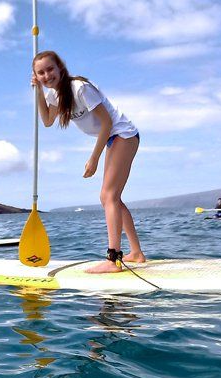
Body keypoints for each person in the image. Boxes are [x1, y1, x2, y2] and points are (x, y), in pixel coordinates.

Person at [32, 50, 145, 274]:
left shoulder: (79, 88)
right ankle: (137, 253)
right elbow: (46, 120)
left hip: (123, 134)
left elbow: (106, 123)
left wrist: (94, 158)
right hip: (114, 138)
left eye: (50, 69)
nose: (47, 75)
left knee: (108, 196)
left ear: (60, 67)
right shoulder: (54, 96)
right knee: (111, 197)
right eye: (41, 73)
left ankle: (113, 260)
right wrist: (37, 91)